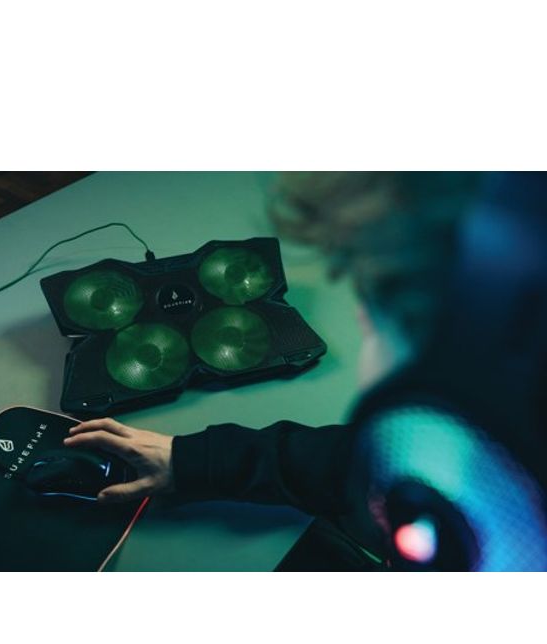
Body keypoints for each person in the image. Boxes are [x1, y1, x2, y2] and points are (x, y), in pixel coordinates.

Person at [63, 172, 481, 569]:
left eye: (385, 314)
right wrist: (192, 461)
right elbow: (352, 459)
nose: (361, 322)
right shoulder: (462, 457)